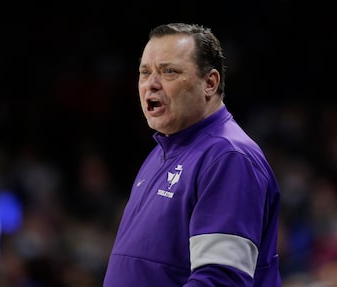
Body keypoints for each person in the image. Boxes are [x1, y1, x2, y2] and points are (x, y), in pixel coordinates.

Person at [103, 23, 282, 287]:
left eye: (169, 71)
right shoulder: (160, 153)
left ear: (209, 83)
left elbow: (221, 279)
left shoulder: (229, 157)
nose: (151, 84)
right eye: (144, 72)